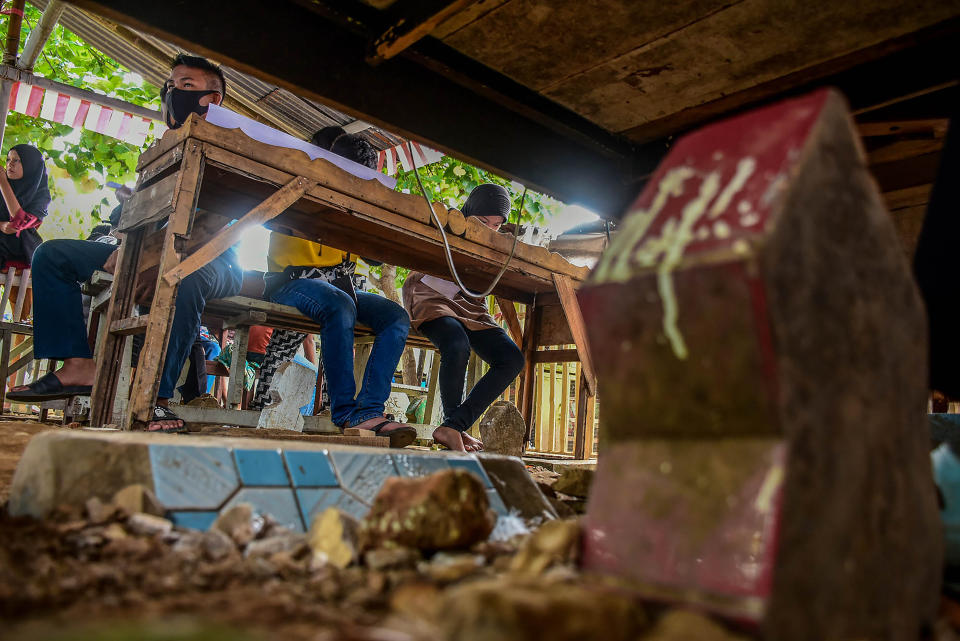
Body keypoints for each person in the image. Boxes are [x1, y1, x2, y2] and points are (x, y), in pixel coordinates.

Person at [8, 54, 241, 433]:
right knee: (52, 255)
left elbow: (216, 224)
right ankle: (80, 366)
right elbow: (142, 219)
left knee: (183, 276)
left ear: (212, 100)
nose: (171, 92)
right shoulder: (162, 150)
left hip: (215, 258)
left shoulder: (233, 149)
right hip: (153, 250)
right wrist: (132, 231)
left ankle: (158, 401)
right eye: (170, 85)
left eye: (185, 86)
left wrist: (150, 257)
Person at [256, 131, 414, 447]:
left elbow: (373, 254)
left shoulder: (361, 195)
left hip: (341, 287)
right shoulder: (293, 175)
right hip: (290, 281)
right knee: (334, 310)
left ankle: (368, 412)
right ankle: (343, 413)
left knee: (395, 316)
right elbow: (267, 218)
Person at [402, 183, 525, 452]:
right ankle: (453, 427)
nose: (489, 229)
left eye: (496, 224)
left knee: (512, 359)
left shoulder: (498, 241)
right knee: (456, 344)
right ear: (469, 210)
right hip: (429, 293)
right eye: (482, 221)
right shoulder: (447, 221)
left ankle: (453, 426)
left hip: (469, 305)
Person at [0, 143, 52, 318]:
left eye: (17, 160)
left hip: (22, 258)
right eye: (8, 160)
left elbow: (19, 221)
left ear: (30, 165)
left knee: (22, 316)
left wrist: (3, 184)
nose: (10, 164)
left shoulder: (41, 196)